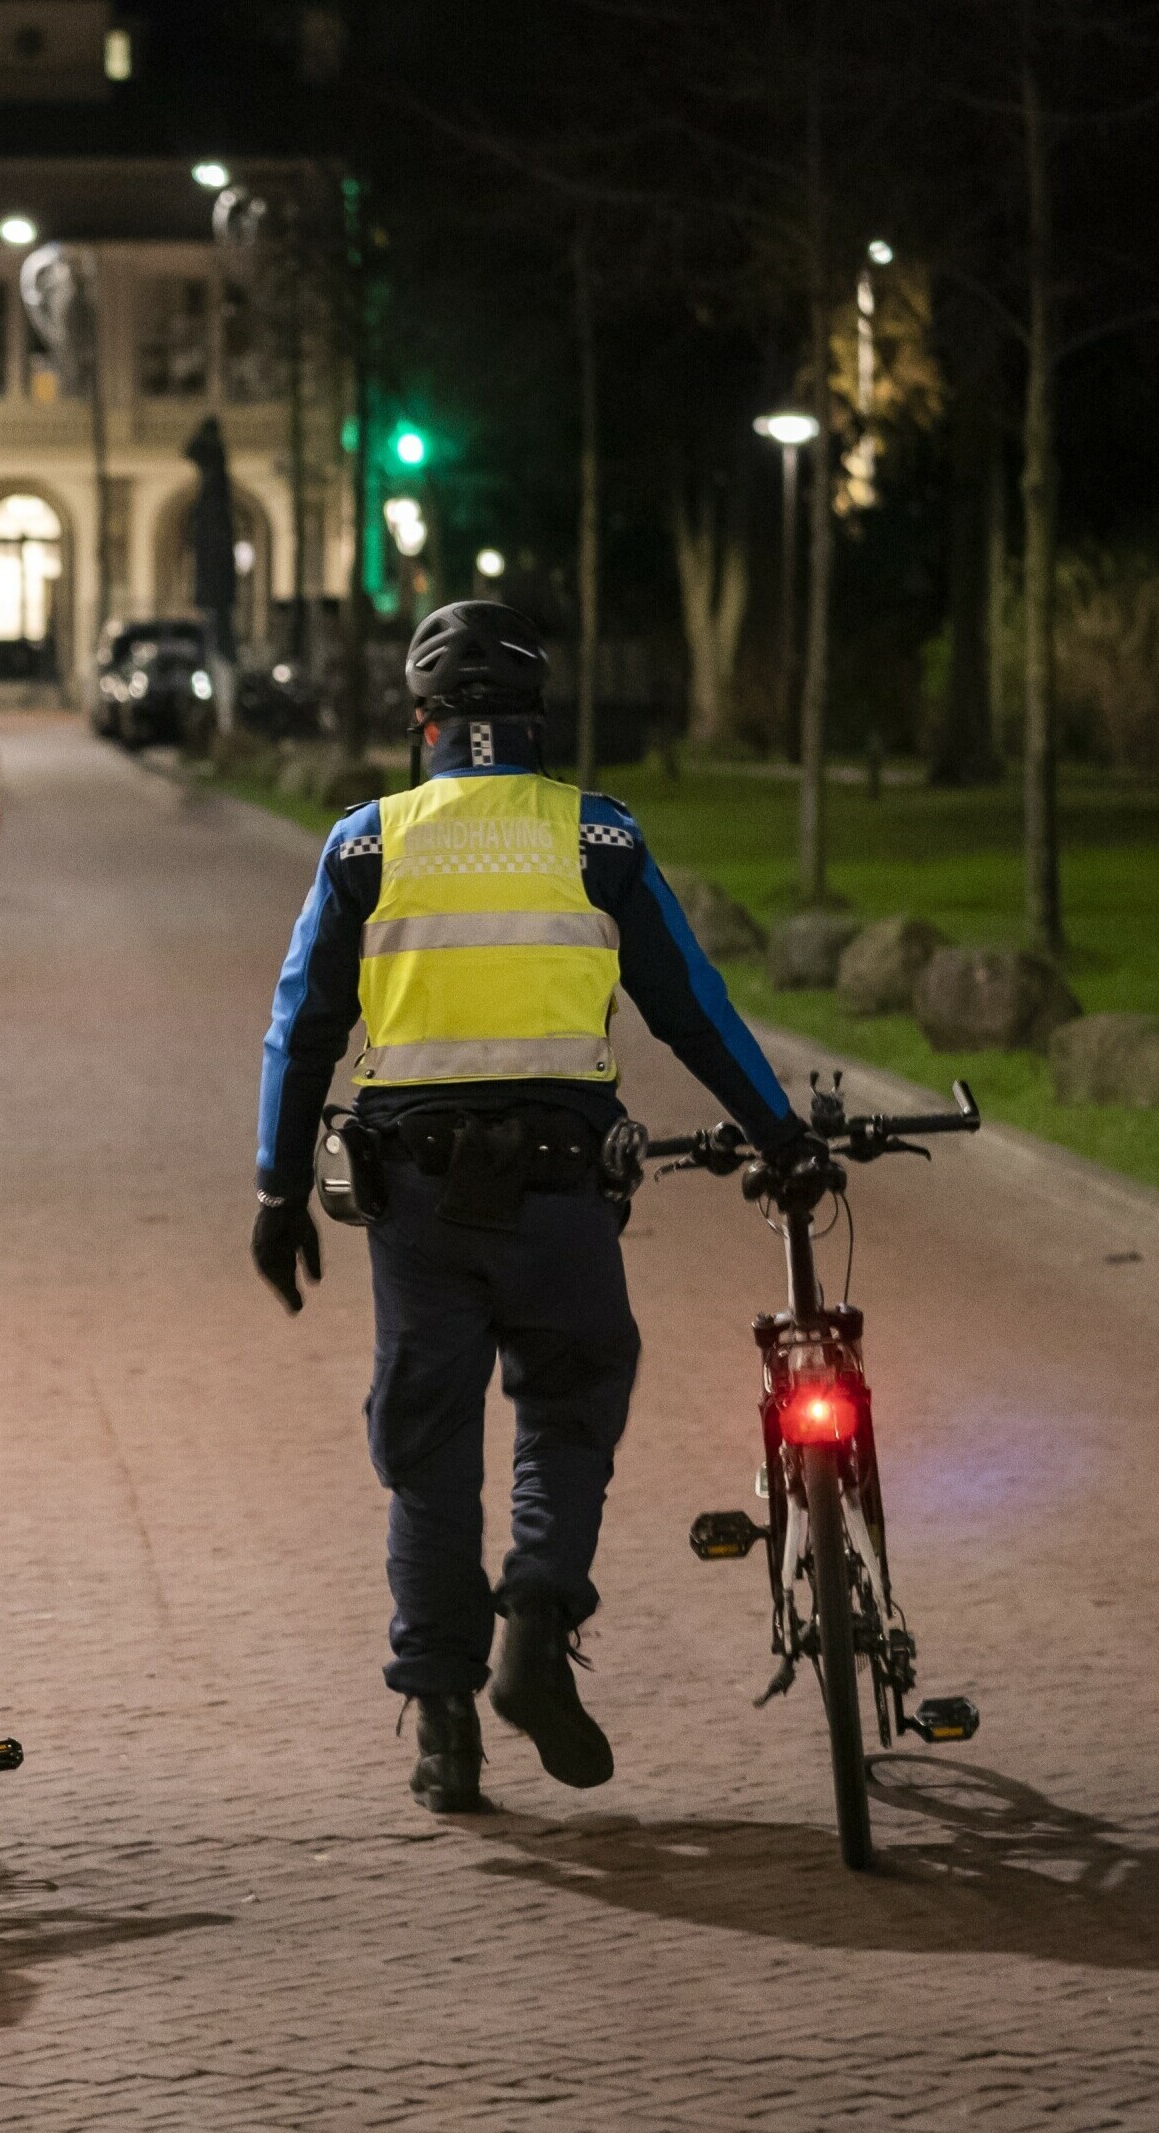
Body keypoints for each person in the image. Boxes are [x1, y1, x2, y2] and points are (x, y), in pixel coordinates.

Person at [249, 602, 806, 1813]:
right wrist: (780, 1135)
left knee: (428, 1451)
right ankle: (538, 1622)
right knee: (567, 1399)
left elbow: (303, 1030)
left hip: (416, 1196)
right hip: (562, 1189)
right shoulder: (597, 835)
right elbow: (689, 1008)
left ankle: (441, 1730)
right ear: (535, 720)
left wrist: (277, 1187)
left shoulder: (363, 844)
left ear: (423, 723)